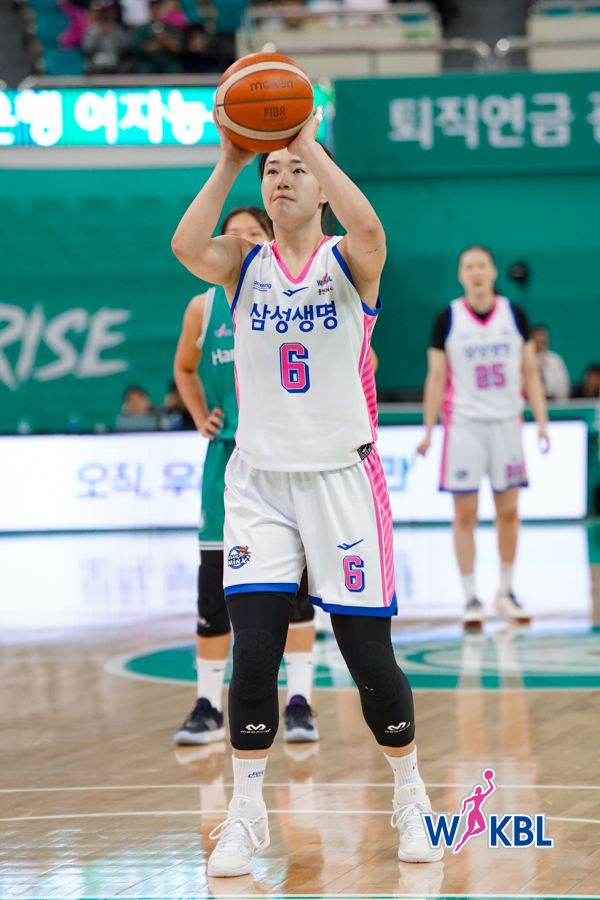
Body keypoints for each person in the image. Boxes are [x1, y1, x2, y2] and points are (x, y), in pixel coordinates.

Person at [172, 106, 442, 877]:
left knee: (369, 660)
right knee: (254, 655)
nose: (283, 178)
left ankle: (411, 796)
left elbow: (372, 229)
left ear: (321, 186)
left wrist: (307, 143)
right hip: (259, 485)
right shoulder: (242, 264)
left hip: (341, 482)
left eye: (296, 170)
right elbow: (186, 246)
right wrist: (232, 158)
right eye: (274, 170)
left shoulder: (348, 260)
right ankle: (245, 815)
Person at [173, 205, 319, 748]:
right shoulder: (203, 305)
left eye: (251, 235)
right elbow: (184, 367)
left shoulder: (298, 294)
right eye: (230, 236)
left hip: (288, 457)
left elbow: (358, 360)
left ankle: (299, 701)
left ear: (269, 241)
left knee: (296, 589)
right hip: (229, 457)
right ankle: (208, 705)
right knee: (214, 588)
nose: (238, 243)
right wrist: (198, 414)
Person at [417, 245, 549, 627]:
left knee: (509, 512)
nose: (475, 272)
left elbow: (530, 372)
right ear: (461, 275)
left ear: (493, 272)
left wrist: (541, 421)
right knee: (465, 514)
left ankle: (505, 592)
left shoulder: (514, 314)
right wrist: (428, 429)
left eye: (481, 265)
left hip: (507, 422)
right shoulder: (447, 318)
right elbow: (436, 377)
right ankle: (470, 597)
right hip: (465, 426)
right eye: (468, 266)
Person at [132, 0, 183, 74]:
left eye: (158, 8)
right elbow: (139, 48)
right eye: (153, 8)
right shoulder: (141, 29)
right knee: (143, 69)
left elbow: (177, 47)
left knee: (175, 69)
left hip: (167, 62)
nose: (155, 11)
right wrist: (159, 44)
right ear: (149, 9)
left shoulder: (171, 28)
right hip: (148, 62)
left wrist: (164, 38)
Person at [81, 1, 132, 74]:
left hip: (116, 68)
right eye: (105, 12)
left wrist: (113, 34)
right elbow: (86, 48)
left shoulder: (119, 30)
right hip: (95, 68)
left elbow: (126, 47)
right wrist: (98, 32)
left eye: (110, 12)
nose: (108, 14)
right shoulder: (93, 30)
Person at [530, 325, 570, 401]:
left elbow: (563, 387)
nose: (541, 341)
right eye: (538, 339)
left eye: (543, 339)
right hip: (530, 401)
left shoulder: (555, 360)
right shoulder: (525, 360)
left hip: (553, 402)